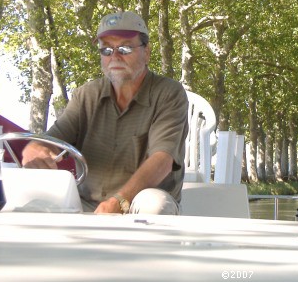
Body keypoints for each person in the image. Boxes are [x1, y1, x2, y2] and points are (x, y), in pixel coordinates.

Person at [22, 11, 189, 215]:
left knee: (154, 205)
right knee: (27, 209)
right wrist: (34, 148)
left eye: (125, 48)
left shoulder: (168, 93)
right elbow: (52, 141)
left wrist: (119, 201)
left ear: (147, 52)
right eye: (106, 50)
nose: (115, 57)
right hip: (85, 203)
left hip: (138, 204)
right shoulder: (86, 95)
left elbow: (162, 160)